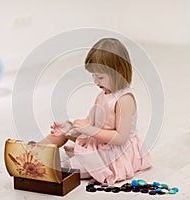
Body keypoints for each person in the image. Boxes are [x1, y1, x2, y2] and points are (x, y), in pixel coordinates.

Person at [41, 38, 152, 184]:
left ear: (118, 73)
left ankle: (53, 166)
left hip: (115, 151)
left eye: (100, 77)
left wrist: (89, 130)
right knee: (62, 133)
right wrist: (70, 125)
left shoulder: (124, 100)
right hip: (99, 141)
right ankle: (36, 150)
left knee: (72, 166)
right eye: (93, 75)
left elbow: (120, 138)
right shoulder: (103, 95)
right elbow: (89, 121)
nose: (95, 81)